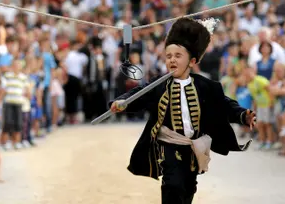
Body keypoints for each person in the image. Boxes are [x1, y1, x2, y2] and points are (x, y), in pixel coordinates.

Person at [109, 17, 256, 204]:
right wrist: (121, 102)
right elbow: (137, 95)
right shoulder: (158, 85)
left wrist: (243, 115)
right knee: (173, 185)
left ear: (192, 61)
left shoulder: (205, 86)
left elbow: (225, 104)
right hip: (169, 145)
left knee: (188, 187)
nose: (172, 60)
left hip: (193, 147)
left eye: (178, 56)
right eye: (168, 56)